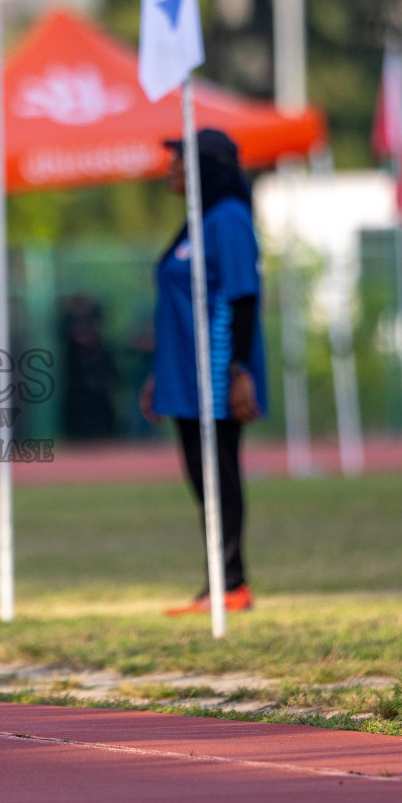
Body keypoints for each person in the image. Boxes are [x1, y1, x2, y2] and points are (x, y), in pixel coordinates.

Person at [139, 128, 266, 617]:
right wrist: (159, 374)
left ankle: (232, 583)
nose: (169, 169)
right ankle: (221, 581)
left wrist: (237, 371)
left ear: (205, 167)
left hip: (214, 371)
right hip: (183, 374)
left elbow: (242, 296)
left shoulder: (228, 219)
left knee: (218, 475)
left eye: (178, 161)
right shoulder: (197, 222)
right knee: (201, 477)